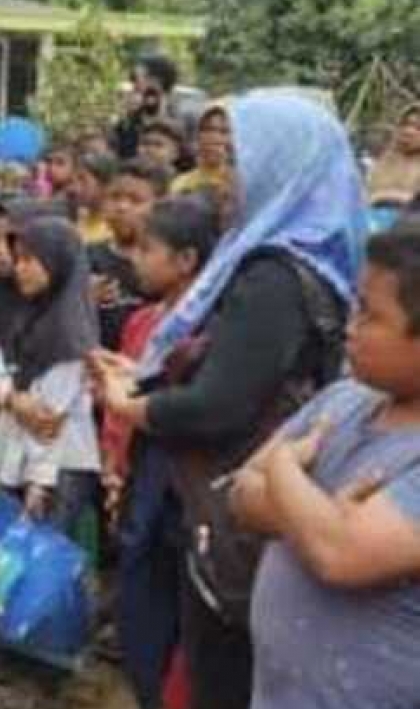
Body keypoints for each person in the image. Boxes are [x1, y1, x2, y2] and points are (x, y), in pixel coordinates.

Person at [92, 92, 366, 709]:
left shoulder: (274, 276)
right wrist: (145, 375)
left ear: (283, 166)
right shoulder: (306, 260)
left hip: (236, 503)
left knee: (221, 670)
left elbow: (219, 405)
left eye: (243, 160)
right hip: (247, 495)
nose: (230, 177)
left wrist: (130, 404)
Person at [228, 223, 420, 709]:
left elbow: (341, 556)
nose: (349, 326)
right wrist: (320, 517)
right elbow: (239, 494)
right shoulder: (346, 398)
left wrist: (287, 470)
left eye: (371, 315)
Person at [99, 197, 221, 709]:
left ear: (187, 259)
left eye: (149, 249)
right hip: (143, 475)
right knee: (140, 600)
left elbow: (181, 410)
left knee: (168, 613)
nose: (136, 259)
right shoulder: (150, 321)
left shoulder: (211, 331)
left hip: (179, 491)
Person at [0, 216, 101, 533]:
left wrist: (40, 482)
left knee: (34, 555)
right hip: (20, 454)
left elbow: (47, 418)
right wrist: (11, 398)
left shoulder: (70, 333)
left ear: (56, 262)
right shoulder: (26, 313)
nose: (18, 267)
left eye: (29, 260)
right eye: (17, 258)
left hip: (56, 468)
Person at [90, 158, 172, 351]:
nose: (122, 207)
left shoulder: (168, 264)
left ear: (160, 205)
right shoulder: (86, 257)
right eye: (115, 197)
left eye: (136, 200)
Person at [365, 104, 420, 233]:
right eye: (405, 125)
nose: (408, 131)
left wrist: (388, 195)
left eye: (418, 128)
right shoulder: (385, 161)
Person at [114, 54, 180, 159]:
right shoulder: (127, 123)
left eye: (136, 79)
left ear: (157, 81)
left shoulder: (180, 123)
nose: (133, 85)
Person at [172, 104, 231, 196]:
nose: (215, 137)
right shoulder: (181, 183)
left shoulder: (239, 181)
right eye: (208, 129)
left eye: (224, 131)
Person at [70, 151, 118, 245]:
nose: (73, 188)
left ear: (106, 184)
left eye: (82, 180)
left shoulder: (116, 228)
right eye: (72, 180)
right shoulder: (77, 217)